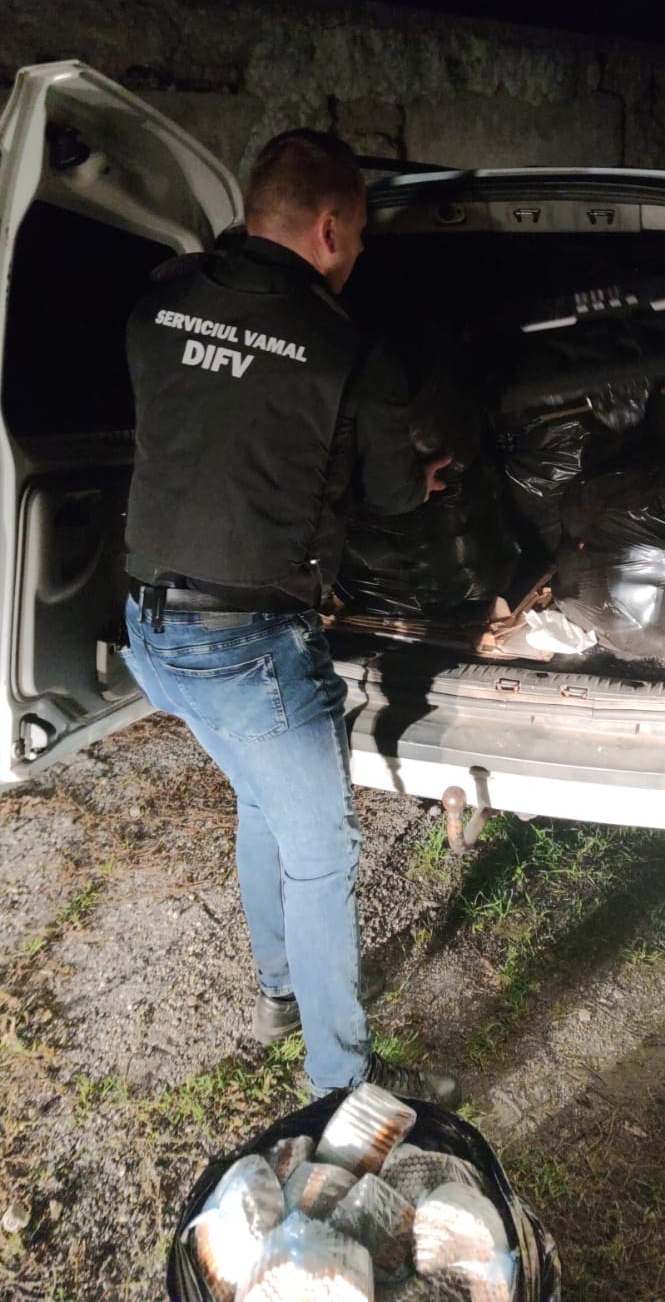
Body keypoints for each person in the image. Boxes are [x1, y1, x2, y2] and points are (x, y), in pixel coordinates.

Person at [122, 128, 458, 1104]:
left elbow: (198, 423)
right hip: (249, 648)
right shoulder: (346, 346)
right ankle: (340, 1087)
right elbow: (389, 496)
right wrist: (418, 475)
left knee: (263, 804)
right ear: (329, 228)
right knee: (322, 854)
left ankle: (277, 993)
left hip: (150, 632)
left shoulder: (156, 300)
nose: (356, 257)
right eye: (358, 239)